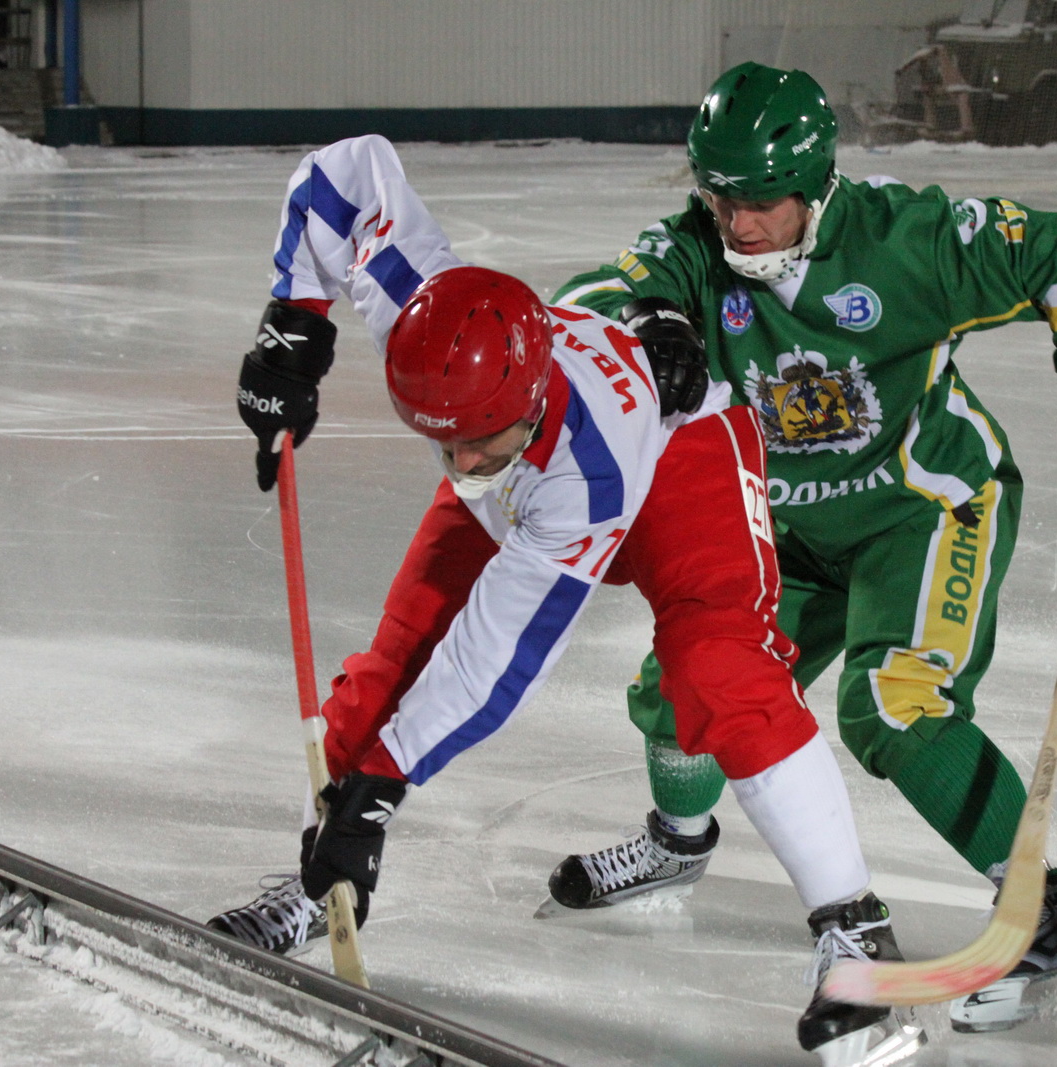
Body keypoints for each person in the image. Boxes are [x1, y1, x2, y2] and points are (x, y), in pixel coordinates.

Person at [214, 134, 926, 1066]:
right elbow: (343, 177)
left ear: (533, 394)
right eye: (444, 446)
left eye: (479, 445)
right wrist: (293, 324)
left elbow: (493, 661)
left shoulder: (583, 474)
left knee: (720, 671)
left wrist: (381, 794)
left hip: (678, 461)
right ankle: (323, 885)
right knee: (394, 665)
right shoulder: (431, 325)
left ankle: (855, 931)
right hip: (540, 464)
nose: (462, 468)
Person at [547, 63, 1057, 1032]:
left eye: (759, 203)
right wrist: (651, 317)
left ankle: (1049, 918)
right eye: (719, 197)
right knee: (679, 692)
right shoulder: (702, 252)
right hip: (783, 526)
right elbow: (591, 299)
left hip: (922, 508)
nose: (737, 223)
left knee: (893, 704)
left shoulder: (905, 241)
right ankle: (678, 839)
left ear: (815, 183)